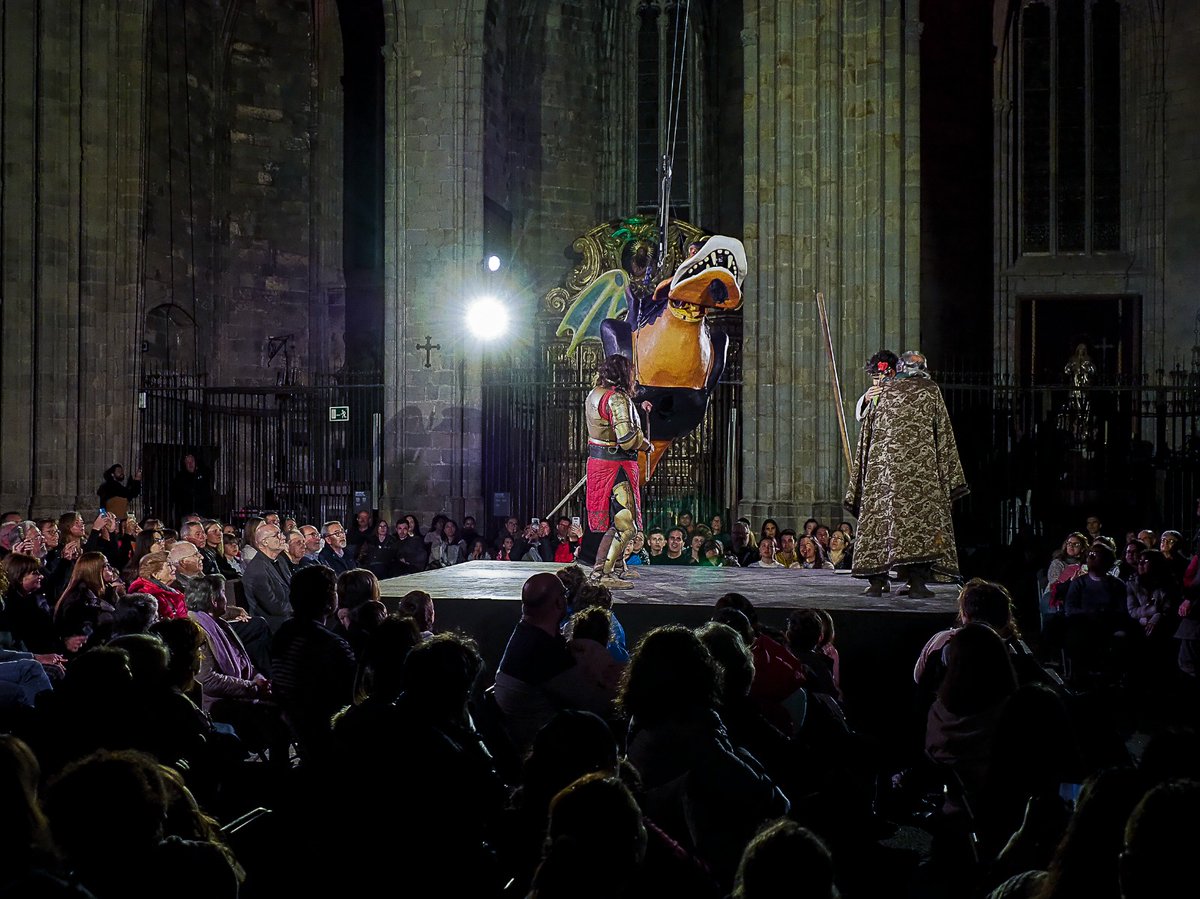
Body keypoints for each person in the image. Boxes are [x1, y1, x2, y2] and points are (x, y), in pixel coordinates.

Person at [844, 349, 968, 597]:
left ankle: (878, 581)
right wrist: (949, 474)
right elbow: (943, 433)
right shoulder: (930, 390)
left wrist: (864, 471)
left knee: (881, 521)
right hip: (922, 477)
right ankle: (916, 581)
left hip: (883, 477)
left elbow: (867, 429)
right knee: (920, 526)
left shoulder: (885, 390)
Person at [584, 354, 652, 589]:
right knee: (625, 525)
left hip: (602, 463)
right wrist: (645, 444)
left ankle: (619, 565)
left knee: (620, 520)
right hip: (616, 466)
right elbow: (625, 438)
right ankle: (602, 572)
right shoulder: (616, 398)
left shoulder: (595, 393)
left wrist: (638, 409)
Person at [171, 453, 212, 520]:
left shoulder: (204, 474)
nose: (190, 464)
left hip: (203, 514)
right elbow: (178, 498)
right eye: (187, 462)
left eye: (192, 461)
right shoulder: (180, 478)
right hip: (187, 515)